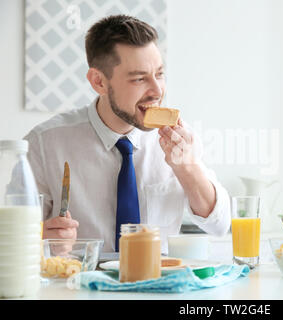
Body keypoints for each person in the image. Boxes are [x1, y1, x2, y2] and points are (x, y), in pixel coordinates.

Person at [24, 15, 231, 253]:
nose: (157, 91)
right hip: (79, 284)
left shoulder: (180, 140)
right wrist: (39, 238)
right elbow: (14, 238)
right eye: (139, 78)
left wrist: (187, 168)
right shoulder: (44, 144)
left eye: (160, 74)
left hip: (158, 283)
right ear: (99, 81)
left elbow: (220, 225)